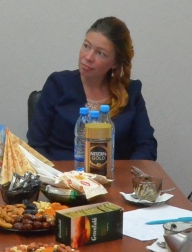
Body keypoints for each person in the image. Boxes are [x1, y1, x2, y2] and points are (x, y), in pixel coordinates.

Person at [27, 16, 157, 161]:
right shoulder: (57, 84)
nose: (88, 57)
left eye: (100, 53)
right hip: (62, 173)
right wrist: (55, 173)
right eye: (86, 46)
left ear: (115, 63)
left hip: (114, 174)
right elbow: (36, 146)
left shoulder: (131, 92)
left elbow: (147, 146)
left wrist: (126, 172)